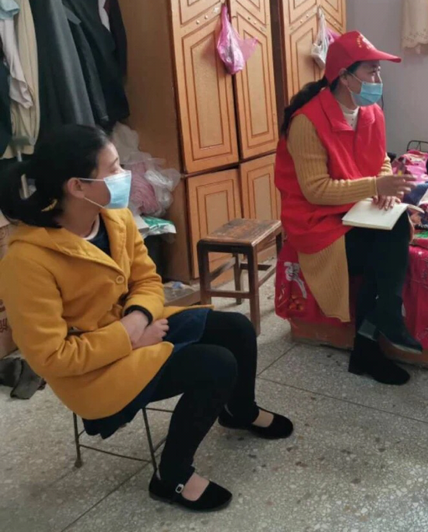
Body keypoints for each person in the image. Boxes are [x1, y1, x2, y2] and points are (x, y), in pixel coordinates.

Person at [0, 126, 293, 512]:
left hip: (139, 329)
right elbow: (51, 357)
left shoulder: (115, 219)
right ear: (78, 186)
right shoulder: (27, 260)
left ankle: (239, 411)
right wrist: (128, 335)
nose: (125, 175)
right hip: (93, 372)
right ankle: (172, 477)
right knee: (216, 365)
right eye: (113, 168)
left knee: (236, 328)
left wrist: (137, 319)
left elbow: (148, 281)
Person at [275, 30, 420, 387]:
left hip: (354, 210)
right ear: (344, 76)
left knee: (396, 225)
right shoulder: (307, 122)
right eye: (371, 71)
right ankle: (379, 328)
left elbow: (380, 161)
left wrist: (385, 190)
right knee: (385, 250)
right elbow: (315, 190)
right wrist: (374, 187)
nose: (378, 79)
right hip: (317, 220)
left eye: (378, 71)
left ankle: (371, 339)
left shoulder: (371, 113)